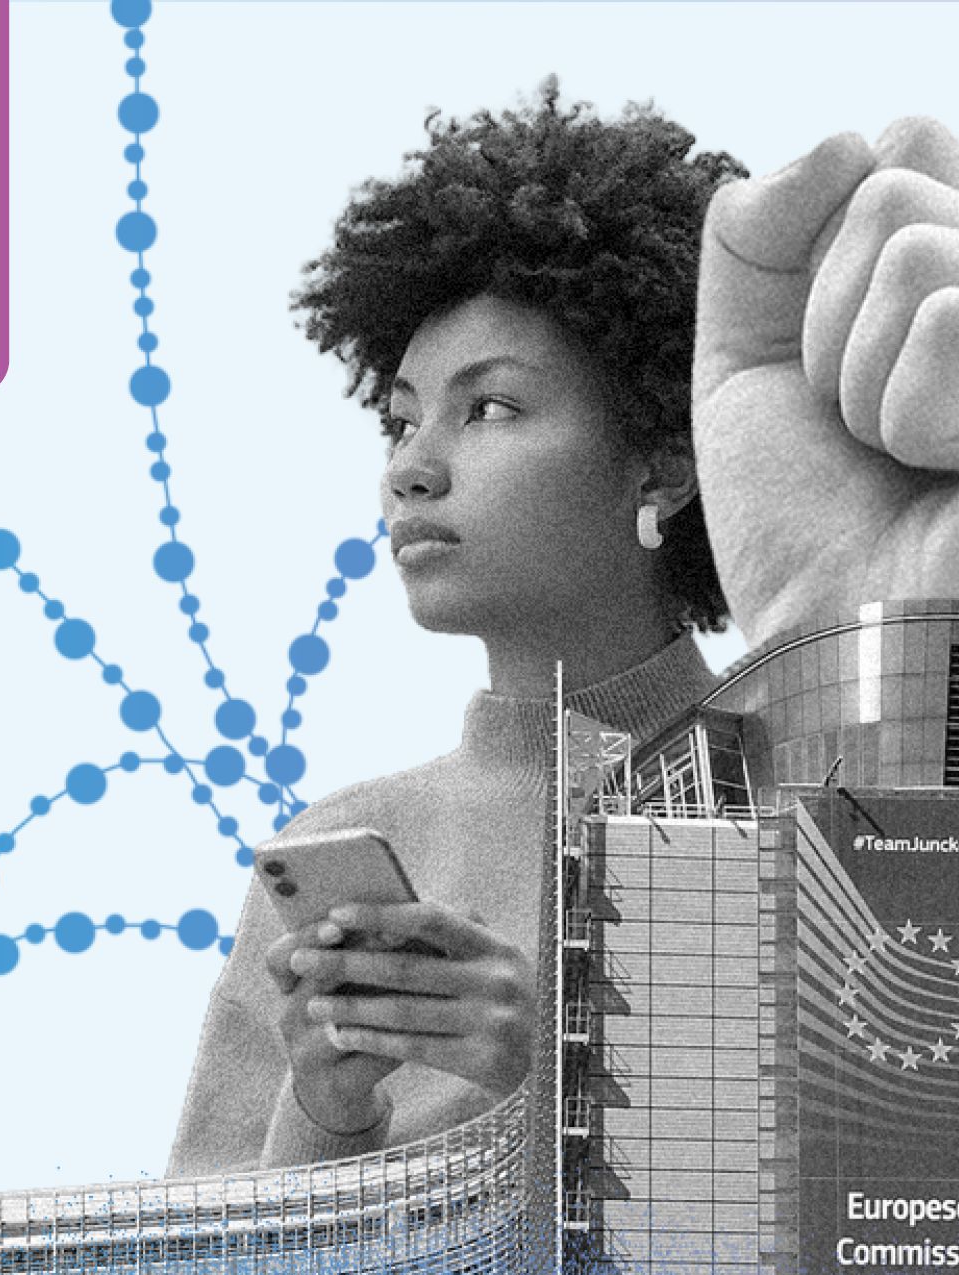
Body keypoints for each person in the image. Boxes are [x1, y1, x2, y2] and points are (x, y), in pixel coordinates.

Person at [167, 82, 742, 1175]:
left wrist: (563, 1062)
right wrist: (327, 1114)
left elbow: (884, 1239)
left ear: (661, 464)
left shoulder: (812, 800)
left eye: (489, 408)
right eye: (400, 418)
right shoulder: (334, 846)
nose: (410, 466)